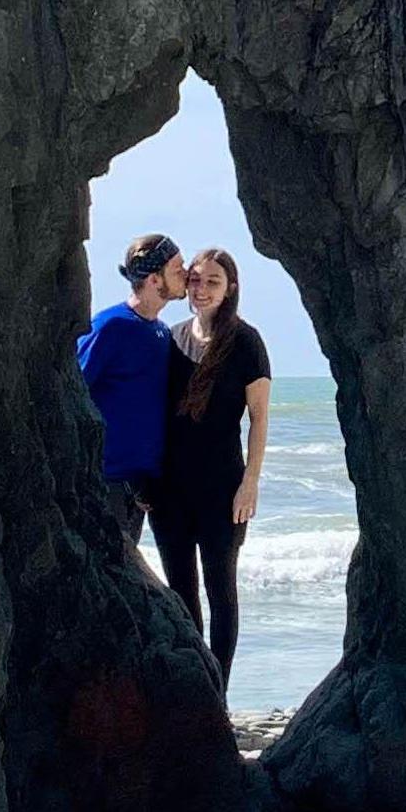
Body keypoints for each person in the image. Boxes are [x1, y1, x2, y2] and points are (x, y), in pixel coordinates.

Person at [149, 245, 272, 684]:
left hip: (223, 486)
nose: (201, 289)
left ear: (231, 289)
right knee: (181, 594)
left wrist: (251, 482)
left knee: (221, 590)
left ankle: (218, 688)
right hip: (169, 489)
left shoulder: (245, 342)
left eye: (212, 282)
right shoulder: (170, 337)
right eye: (196, 280)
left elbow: (259, 417)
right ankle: (195, 688)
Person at [77, 233, 182, 531]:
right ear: (153, 280)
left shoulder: (162, 332)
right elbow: (73, 392)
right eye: (177, 269)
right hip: (105, 483)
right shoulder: (109, 326)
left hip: (143, 487)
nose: (186, 275)